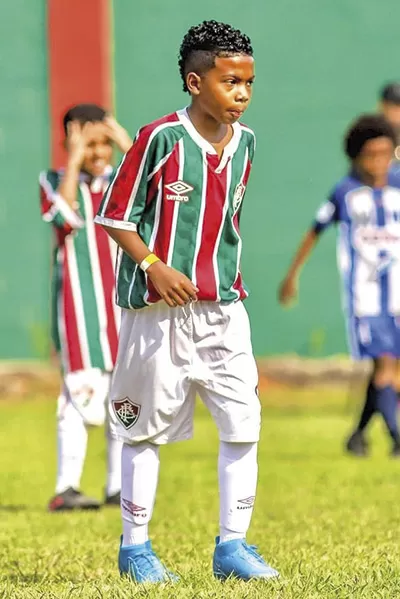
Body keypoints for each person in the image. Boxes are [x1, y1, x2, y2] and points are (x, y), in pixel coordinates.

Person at [94, 20, 279, 583]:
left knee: (244, 425)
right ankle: (136, 550)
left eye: (248, 82)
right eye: (230, 82)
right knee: (142, 430)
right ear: (196, 82)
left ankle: (233, 547)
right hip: (157, 313)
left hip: (224, 310)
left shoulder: (246, 144)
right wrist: (154, 266)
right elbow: (114, 216)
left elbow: (225, 228)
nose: (242, 94)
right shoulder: (159, 139)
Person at [279, 114, 400, 457]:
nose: (378, 162)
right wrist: (292, 275)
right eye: (370, 155)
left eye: (384, 154)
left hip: (397, 294)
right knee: (386, 364)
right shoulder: (345, 191)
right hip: (366, 296)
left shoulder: (398, 184)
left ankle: (358, 435)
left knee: (388, 368)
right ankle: (396, 437)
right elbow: (314, 231)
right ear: (356, 157)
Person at [39, 103, 132, 510]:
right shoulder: (56, 180)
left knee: (122, 399)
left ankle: (117, 487)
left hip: (120, 311)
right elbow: (65, 217)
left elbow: (157, 184)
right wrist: (74, 160)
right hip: (79, 313)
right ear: (69, 143)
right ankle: (66, 488)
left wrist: (125, 142)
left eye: (102, 144)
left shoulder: (119, 181)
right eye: (87, 144)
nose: (97, 153)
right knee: (76, 399)